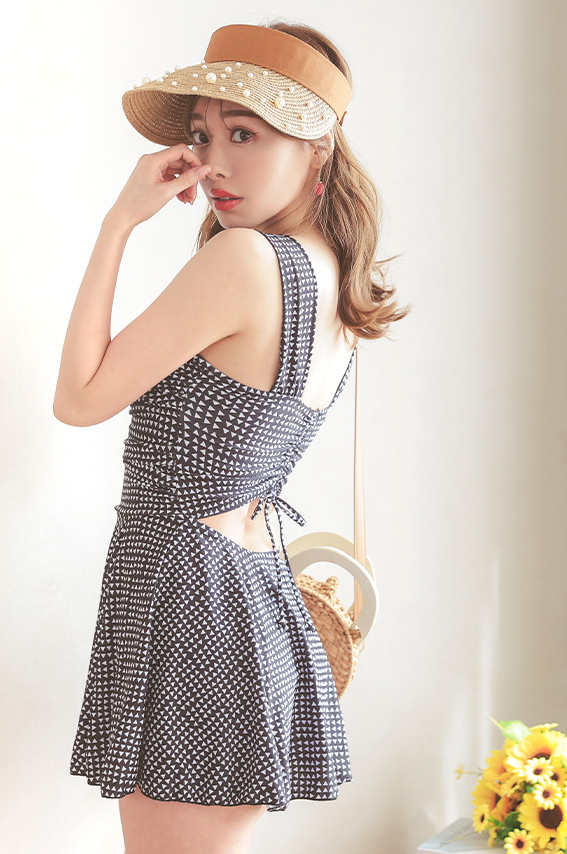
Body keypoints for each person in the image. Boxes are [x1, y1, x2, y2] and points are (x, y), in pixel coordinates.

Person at [53, 20, 410, 854]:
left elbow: (78, 398)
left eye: (244, 134)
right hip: (243, 597)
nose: (213, 163)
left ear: (317, 146)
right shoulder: (330, 277)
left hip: (192, 606)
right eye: (203, 134)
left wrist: (118, 223)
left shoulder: (247, 260)